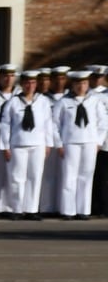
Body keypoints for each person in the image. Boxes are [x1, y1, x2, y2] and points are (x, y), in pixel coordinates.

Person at [0, 70, 50, 219]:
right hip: (18, 144)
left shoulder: (43, 101)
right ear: (21, 84)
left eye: (33, 83)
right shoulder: (13, 102)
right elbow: (5, 125)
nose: (30, 86)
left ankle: (32, 209)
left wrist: (49, 144)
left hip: (38, 144)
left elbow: (48, 124)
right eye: (27, 83)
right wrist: (5, 146)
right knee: (17, 177)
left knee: (35, 177)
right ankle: (17, 209)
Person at [53, 68, 101, 218]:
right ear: (72, 85)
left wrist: (98, 141)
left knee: (86, 176)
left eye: (85, 83)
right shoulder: (64, 101)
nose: (81, 86)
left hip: (89, 142)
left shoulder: (94, 101)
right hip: (70, 142)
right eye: (78, 83)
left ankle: (83, 210)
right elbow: (54, 124)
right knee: (69, 176)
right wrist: (59, 144)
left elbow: (103, 122)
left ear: (88, 84)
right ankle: (68, 210)